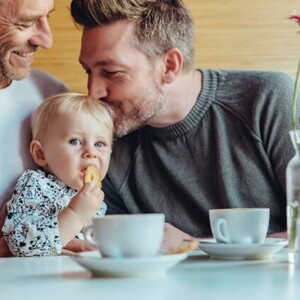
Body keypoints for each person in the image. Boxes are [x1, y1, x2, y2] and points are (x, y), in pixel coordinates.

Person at [70, 0, 297, 246]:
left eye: (111, 72)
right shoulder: (104, 146)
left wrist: (193, 247)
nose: (93, 93)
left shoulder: (269, 100)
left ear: (169, 66)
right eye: (87, 71)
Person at [0, 0, 91, 256]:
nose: (46, 39)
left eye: (46, 18)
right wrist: (18, 246)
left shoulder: (52, 98)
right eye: (26, 22)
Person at [2, 92, 114, 256]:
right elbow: (22, 245)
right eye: (75, 141)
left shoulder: (97, 200)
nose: (91, 152)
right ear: (41, 154)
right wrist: (76, 215)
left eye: (100, 143)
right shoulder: (35, 186)